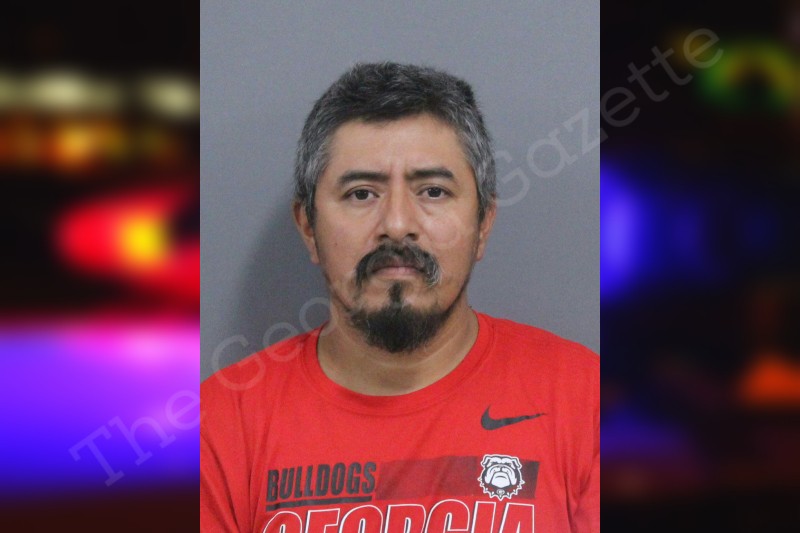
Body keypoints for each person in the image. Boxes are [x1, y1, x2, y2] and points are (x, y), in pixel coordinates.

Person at [201, 62, 599, 533]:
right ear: (308, 227)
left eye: (433, 191)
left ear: (483, 225)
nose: (396, 224)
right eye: (361, 194)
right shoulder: (219, 426)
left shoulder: (587, 403)